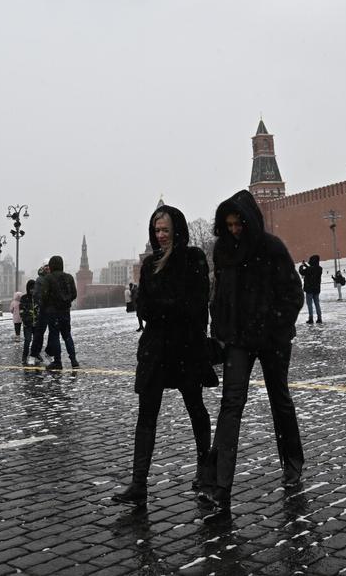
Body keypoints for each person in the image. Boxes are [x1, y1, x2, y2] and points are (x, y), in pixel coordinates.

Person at [202, 189, 306, 521]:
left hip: (273, 340)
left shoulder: (272, 248)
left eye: (239, 224)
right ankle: (219, 482)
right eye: (229, 224)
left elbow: (293, 293)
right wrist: (218, 331)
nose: (234, 230)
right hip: (238, 341)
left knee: (280, 398)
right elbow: (219, 296)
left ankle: (292, 464)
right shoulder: (222, 250)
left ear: (250, 221)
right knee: (231, 404)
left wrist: (275, 327)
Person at [111, 205, 218, 508]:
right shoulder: (149, 265)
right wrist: (165, 307)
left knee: (195, 407)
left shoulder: (192, 258)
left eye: (165, 231)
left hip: (185, 346)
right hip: (156, 349)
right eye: (156, 230)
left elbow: (195, 303)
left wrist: (163, 307)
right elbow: (143, 308)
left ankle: (204, 469)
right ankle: (138, 483)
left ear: (177, 231)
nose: (160, 236)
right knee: (146, 415)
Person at [32, 256, 79, 370]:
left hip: (52, 313)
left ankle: (58, 362)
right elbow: (74, 294)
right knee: (67, 336)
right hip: (65, 312)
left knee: (55, 337)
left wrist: (47, 305)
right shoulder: (69, 277)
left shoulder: (48, 278)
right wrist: (66, 301)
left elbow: (43, 296)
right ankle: (74, 361)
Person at [298, 255, 324, 325]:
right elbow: (312, 270)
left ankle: (311, 318)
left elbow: (302, 272)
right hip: (316, 289)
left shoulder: (309, 269)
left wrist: (301, 266)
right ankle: (319, 318)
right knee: (317, 304)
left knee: (309, 304)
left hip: (309, 289)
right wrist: (306, 265)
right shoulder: (320, 269)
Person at [19, 280, 38, 364]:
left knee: (36, 341)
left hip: (37, 324)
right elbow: (22, 311)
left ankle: (35, 354)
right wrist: (26, 320)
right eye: (31, 289)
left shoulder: (37, 298)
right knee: (28, 340)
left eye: (34, 288)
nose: (32, 290)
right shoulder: (24, 298)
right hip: (28, 324)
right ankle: (24, 356)